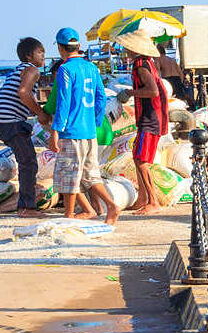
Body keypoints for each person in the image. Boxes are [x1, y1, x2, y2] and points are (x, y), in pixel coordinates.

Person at [49, 28, 119, 225]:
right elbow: (101, 98)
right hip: (89, 132)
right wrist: (95, 121)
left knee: (67, 175)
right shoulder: (91, 68)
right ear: (79, 46)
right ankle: (110, 206)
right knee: (90, 175)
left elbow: (63, 104)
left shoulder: (65, 69)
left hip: (72, 132)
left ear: (61, 48)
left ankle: (68, 215)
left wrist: (55, 131)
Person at [118, 29, 169, 215]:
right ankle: (143, 198)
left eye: (126, 47)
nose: (124, 49)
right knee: (137, 156)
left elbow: (153, 91)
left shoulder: (141, 65)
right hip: (151, 116)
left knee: (142, 161)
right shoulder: (146, 62)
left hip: (151, 117)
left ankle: (153, 201)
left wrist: (130, 93)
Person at [0, 37, 52, 217]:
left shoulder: (17, 70)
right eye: (40, 52)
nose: (43, 56)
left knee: (26, 160)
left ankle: (26, 205)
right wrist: (40, 113)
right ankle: (26, 208)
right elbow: (23, 93)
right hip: (12, 122)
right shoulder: (32, 70)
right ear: (29, 56)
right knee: (28, 162)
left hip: (5, 121)